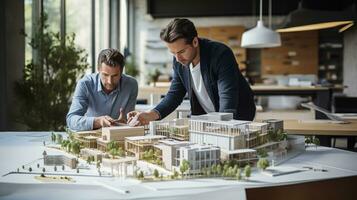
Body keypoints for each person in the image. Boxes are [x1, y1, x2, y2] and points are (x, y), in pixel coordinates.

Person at [127, 18, 255, 126]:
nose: (178, 58)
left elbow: (227, 96)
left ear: (195, 41)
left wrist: (225, 125)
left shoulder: (220, 54)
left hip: (238, 116)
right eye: (173, 53)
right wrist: (150, 115)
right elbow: (175, 94)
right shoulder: (179, 60)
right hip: (207, 119)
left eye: (182, 52)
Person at [66, 48, 138, 131]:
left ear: (121, 72)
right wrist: (98, 121)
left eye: (114, 76)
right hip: (91, 136)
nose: (109, 81)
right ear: (98, 69)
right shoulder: (85, 84)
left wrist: (126, 123)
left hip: (117, 136)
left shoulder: (131, 85)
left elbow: (127, 120)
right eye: (105, 75)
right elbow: (71, 120)